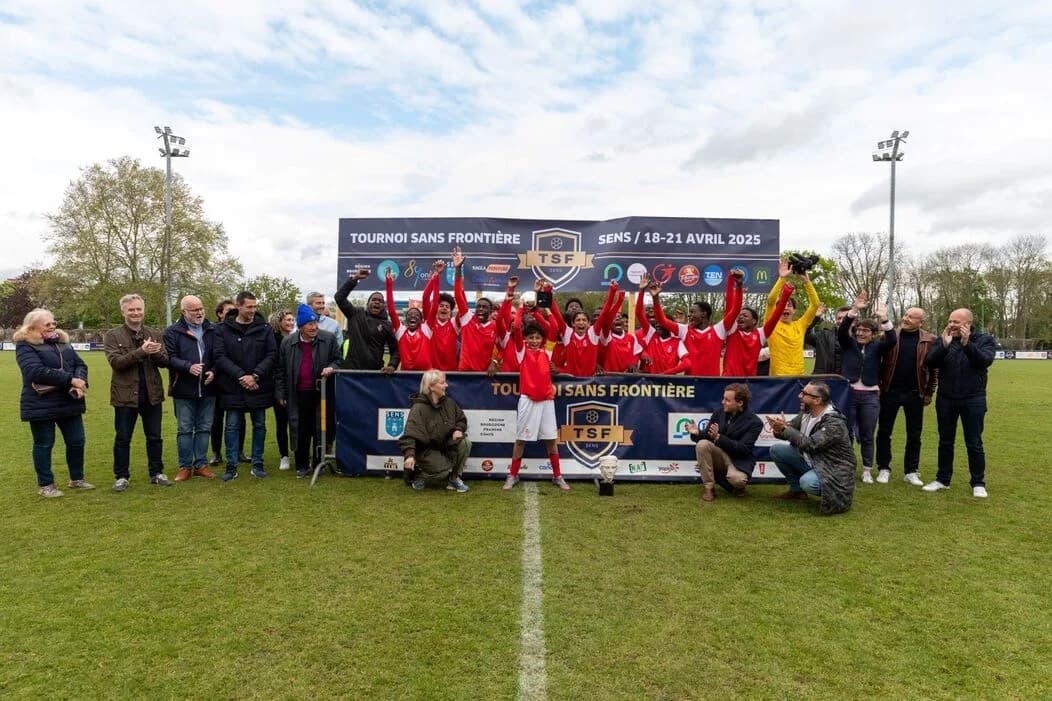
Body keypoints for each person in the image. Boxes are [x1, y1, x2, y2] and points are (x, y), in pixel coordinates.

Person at [15, 308, 92, 497]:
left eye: (53, 323)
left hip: (68, 400)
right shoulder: (25, 345)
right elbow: (35, 371)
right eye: (47, 324)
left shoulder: (63, 342)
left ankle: (77, 479)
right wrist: (69, 380)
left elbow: (80, 365)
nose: (52, 326)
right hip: (40, 402)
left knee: (77, 441)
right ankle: (46, 485)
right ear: (33, 326)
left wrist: (79, 383)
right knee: (44, 444)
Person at [503, 281, 570, 491]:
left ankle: (557, 476)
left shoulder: (547, 351)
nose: (533, 340)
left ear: (542, 340)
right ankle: (512, 475)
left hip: (547, 402)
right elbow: (515, 327)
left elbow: (555, 328)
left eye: (537, 338)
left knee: (551, 440)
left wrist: (541, 308)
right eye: (530, 337)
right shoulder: (522, 352)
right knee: (521, 440)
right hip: (528, 400)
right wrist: (522, 305)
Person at [922, 308, 996, 497]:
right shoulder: (944, 339)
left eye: (956, 321)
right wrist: (943, 346)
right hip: (946, 399)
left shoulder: (984, 340)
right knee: (945, 441)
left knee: (974, 442)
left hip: (974, 399)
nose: (951, 325)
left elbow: (984, 361)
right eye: (950, 321)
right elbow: (929, 362)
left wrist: (966, 344)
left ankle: (978, 483)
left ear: (968, 324)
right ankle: (942, 479)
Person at [105, 293, 172, 491]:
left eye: (138, 309)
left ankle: (157, 473)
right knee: (123, 437)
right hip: (125, 395)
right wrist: (142, 351)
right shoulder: (113, 335)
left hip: (152, 393)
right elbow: (116, 363)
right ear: (123, 311)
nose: (135, 313)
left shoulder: (155, 333)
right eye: (131, 309)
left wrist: (156, 353)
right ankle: (122, 476)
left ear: (144, 310)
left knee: (154, 436)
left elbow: (166, 361)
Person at [213, 291, 278, 481]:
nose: (252, 310)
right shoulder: (223, 329)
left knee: (259, 425)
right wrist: (241, 376)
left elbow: (272, 354)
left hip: (258, 386)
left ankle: (257, 464)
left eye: (254, 306)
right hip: (232, 387)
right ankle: (231, 467)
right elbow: (219, 356)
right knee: (232, 426)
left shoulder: (264, 328)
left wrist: (255, 375)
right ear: (238, 306)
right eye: (249, 307)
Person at [766, 381, 856, 515]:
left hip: (833, 470)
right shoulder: (806, 414)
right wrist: (779, 428)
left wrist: (786, 429)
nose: (799, 396)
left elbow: (811, 445)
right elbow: (789, 432)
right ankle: (797, 492)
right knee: (777, 450)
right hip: (815, 462)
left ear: (817, 400)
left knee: (808, 482)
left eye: (804, 393)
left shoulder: (834, 422)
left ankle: (837, 496)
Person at [275, 304, 341, 478]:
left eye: (315, 323)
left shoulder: (328, 339)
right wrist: (280, 393)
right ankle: (302, 465)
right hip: (296, 394)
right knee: (300, 429)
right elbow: (280, 370)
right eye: (310, 324)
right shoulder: (288, 342)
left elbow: (338, 360)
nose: (314, 327)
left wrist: (331, 367)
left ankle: (318, 463)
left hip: (321, 393)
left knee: (320, 428)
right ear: (301, 326)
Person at [876, 307, 938, 486]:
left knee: (914, 435)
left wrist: (928, 392)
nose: (906, 319)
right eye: (906, 315)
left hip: (915, 394)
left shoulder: (929, 340)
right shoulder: (889, 336)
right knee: (884, 432)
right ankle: (883, 468)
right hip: (889, 392)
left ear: (921, 322)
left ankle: (911, 471)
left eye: (911, 317)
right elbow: (877, 363)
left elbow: (933, 370)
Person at [838, 294, 896, 484]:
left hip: (870, 396)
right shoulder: (849, 344)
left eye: (866, 331)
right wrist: (854, 310)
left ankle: (867, 470)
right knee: (845, 433)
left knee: (867, 434)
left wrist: (884, 318)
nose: (861, 334)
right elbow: (843, 330)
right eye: (859, 330)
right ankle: (845, 466)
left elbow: (892, 339)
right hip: (849, 394)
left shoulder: (877, 347)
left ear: (873, 333)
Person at [163, 295, 218, 482]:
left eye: (201, 308)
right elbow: (169, 358)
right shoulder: (172, 332)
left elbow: (220, 355)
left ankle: (201, 464)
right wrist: (188, 366)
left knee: (204, 428)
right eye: (194, 310)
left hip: (209, 388)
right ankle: (185, 466)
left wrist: (214, 371)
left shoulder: (212, 330)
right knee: (185, 429)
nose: (199, 312)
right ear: (184, 311)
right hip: (183, 388)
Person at [651, 269, 744, 376]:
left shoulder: (719, 330)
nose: (689, 315)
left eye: (692, 312)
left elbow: (735, 310)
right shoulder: (684, 330)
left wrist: (739, 286)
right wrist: (655, 298)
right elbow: (662, 320)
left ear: (703, 314)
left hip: (711, 384)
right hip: (690, 386)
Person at [683, 383, 763, 501]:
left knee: (737, 480)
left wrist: (719, 438)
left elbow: (743, 449)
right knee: (702, 444)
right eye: (723, 398)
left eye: (727, 400)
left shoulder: (755, 422)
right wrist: (697, 433)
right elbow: (708, 436)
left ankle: (735, 486)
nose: (722, 402)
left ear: (740, 403)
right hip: (719, 456)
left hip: (738, 460)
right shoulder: (718, 413)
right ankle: (709, 488)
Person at [399, 370, 471, 492]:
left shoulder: (449, 403)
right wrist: (410, 456)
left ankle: (454, 479)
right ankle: (418, 475)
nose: (446, 385)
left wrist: (458, 429)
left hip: (445, 446)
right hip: (425, 451)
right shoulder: (418, 408)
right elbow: (410, 435)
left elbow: (461, 419)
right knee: (443, 472)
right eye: (442, 383)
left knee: (465, 442)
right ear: (431, 387)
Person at [723, 276, 794, 376]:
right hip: (729, 381)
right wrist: (736, 284)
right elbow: (731, 308)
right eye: (740, 315)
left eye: (745, 315)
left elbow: (775, 316)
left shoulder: (760, 334)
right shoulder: (732, 330)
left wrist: (786, 293)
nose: (740, 317)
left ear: (754, 321)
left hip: (749, 383)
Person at [335, 268, 400, 372]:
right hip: (351, 372)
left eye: (380, 301)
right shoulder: (355, 314)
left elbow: (395, 349)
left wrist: (392, 365)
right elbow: (339, 297)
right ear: (367, 303)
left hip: (374, 374)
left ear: (384, 306)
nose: (377, 302)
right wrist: (354, 279)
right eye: (373, 300)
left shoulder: (387, 325)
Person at [765, 258, 821, 375]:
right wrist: (782, 278)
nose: (785, 308)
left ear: (794, 310)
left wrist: (807, 282)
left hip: (798, 378)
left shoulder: (800, 325)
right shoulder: (771, 324)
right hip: (778, 379)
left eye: (789, 305)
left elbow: (815, 304)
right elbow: (771, 300)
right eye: (782, 305)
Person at [209, 299, 245, 465]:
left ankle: (239, 451)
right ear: (220, 314)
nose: (233, 313)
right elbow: (214, 355)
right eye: (229, 310)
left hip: (236, 380)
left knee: (239, 418)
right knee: (217, 419)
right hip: (217, 380)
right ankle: (216, 452)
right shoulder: (213, 330)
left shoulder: (239, 330)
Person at [452, 247, 500, 371]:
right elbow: (458, 295)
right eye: (478, 306)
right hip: (465, 374)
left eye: (484, 307)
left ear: (490, 311)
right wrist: (457, 269)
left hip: (484, 378)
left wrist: (494, 362)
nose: (480, 309)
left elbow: (504, 347)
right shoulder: (467, 318)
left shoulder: (495, 327)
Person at [385, 269, 432, 370]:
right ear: (406, 320)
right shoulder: (401, 331)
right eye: (410, 315)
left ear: (421, 320)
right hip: (406, 376)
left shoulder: (426, 329)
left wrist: (435, 278)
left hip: (425, 376)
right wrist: (389, 283)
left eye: (416, 315)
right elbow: (392, 311)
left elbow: (434, 306)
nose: (413, 316)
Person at [269, 309, 296, 471]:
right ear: (279, 322)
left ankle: (298, 451)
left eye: (292, 320)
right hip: (279, 386)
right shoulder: (273, 340)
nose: (291, 323)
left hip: (296, 387)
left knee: (297, 422)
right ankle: (284, 455)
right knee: (281, 423)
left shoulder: (297, 338)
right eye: (287, 320)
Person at [422, 260, 459, 370]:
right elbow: (425, 297)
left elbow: (462, 307)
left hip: (452, 373)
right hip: (431, 373)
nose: (444, 308)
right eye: (441, 305)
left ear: (451, 311)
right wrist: (436, 276)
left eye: (447, 307)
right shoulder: (430, 322)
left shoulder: (454, 324)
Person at [807, 305, 852, 374]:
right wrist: (815, 318)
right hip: (823, 381)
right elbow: (804, 336)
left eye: (845, 318)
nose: (842, 321)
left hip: (848, 382)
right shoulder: (823, 335)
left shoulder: (859, 339)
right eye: (839, 318)